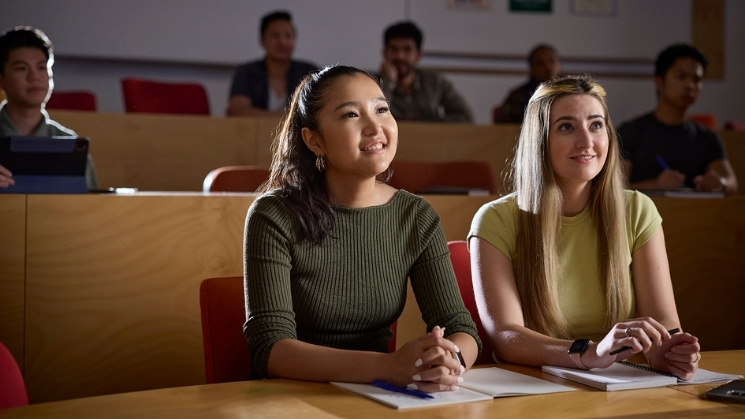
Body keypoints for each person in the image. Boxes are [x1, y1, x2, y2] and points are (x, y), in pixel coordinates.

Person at [243, 65, 480, 391]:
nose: (375, 126)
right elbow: (271, 349)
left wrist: (447, 359)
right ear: (314, 141)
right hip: (291, 397)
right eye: (351, 115)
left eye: (381, 109)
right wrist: (388, 367)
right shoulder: (273, 215)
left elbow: (460, 327)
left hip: (379, 396)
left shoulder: (415, 216)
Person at [468, 75, 701, 380]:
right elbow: (507, 336)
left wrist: (666, 350)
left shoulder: (638, 209)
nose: (587, 142)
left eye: (596, 125)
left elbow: (665, 321)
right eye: (566, 127)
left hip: (618, 383)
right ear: (540, 140)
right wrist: (589, 353)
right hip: (530, 384)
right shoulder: (495, 219)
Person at [618, 44, 737, 195]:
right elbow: (614, 189)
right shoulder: (631, 131)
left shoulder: (707, 137)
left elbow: (732, 182)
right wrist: (655, 185)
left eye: (697, 79)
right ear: (659, 81)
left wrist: (721, 183)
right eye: (681, 77)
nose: (690, 85)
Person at [0, 26, 98, 190]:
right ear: (1, 78)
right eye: (21, 68)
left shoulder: (69, 145)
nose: (34, 77)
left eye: (41, 67)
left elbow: (91, 206)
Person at [226, 10, 318, 117]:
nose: (282, 42)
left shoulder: (308, 72)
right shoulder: (246, 72)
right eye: (275, 36)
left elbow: (317, 111)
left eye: (288, 36)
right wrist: (287, 118)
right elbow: (239, 110)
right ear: (262, 41)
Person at [377, 21, 473, 123]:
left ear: (418, 55)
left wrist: (424, 123)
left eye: (407, 50)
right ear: (384, 53)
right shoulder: (370, 82)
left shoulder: (434, 81)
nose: (400, 56)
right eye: (394, 49)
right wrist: (387, 82)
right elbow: (375, 118)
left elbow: (465, 117)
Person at [494, 44, 561, 124]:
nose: (548, 67)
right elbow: (503, 127)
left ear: (559, 64)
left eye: (552, 61)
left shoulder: (572, 93)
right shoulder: (518, 96)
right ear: (532, 69)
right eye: (540, 63)